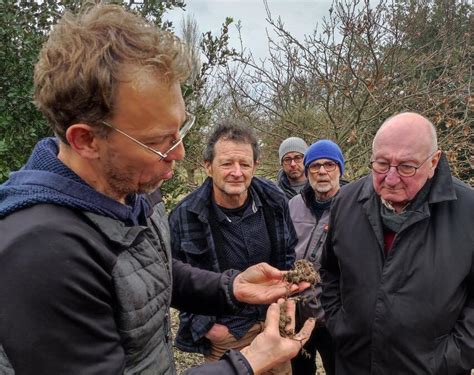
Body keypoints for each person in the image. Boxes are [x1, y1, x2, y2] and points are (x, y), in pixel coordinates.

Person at [0, 4, 316, 375]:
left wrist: (230, 288)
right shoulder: (43, 254)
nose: (179, 154)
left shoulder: (131, 185)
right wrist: (248, 363)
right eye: (159, 142)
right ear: (86, 140)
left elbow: (151, 273)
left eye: (180, 129)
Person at [321, 112, 474, 374]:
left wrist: (449, 358)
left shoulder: (468, 210)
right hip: (353, 364)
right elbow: (329, 272)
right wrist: (339, 324)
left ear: (434, 162)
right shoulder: (345, 201)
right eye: (381, 164)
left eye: (406, 167)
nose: (390, 178)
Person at [169, 120, 297, 373]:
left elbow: (287, 254)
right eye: (227, 163)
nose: (237, 172)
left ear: (255, 167)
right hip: (227, 337)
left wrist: (283, 309)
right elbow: (173, 278)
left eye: (245, 164)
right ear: (208, 166)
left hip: (273, 326)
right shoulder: (185, 215)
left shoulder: (274, 201)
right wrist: (210, 329)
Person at [289, 140, 346, 375]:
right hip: (297, 314)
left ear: (340, 170)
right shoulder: (293, 205)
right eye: (315, 166)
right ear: (307, 170)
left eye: (330, 165)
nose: (322, 171)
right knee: (300, 370)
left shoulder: (353, 207)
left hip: (333, 317)